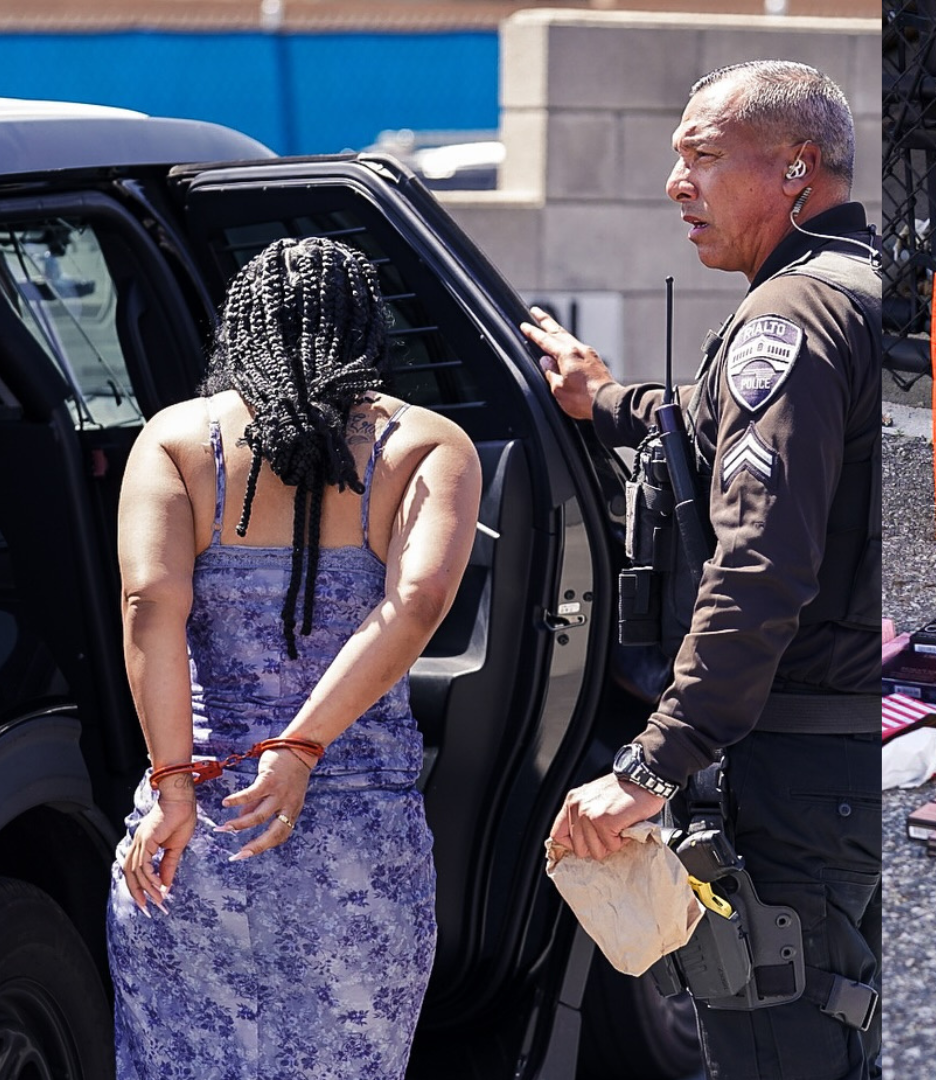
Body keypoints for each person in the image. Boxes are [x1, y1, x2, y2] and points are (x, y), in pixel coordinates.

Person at [521, 59, 881, 1080]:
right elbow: (725, 428)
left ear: (797, 167)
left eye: (705, 157)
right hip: (860, 750)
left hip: (794, 776)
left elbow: (758, 565)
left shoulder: (788, 319)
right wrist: (609, 401)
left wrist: (653, 764)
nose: (677, 184)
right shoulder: (861, 286)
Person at [108, 237, 481, 1079]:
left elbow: (150, 605)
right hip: (355, 842)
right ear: (367, 327)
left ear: (243, 324)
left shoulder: (174, 439)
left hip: (192, 831)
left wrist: (173, 784)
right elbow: (416, 601)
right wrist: (301, 747)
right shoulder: (428, 445)